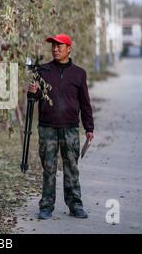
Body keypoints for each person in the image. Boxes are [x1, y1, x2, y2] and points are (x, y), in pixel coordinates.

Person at [28, 34, 94, 220]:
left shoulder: (79, 73)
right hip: (47, 128)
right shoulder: (43, 70)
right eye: (53, 46)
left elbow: (85, 103)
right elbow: (34, 98)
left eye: (59, 46)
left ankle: (75, 205)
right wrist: (32, 93)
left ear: (69, 48)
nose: (55, 49)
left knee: (71, 167)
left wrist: (89, 127)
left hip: (70, 128)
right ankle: (46, 206)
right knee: (48, 168)